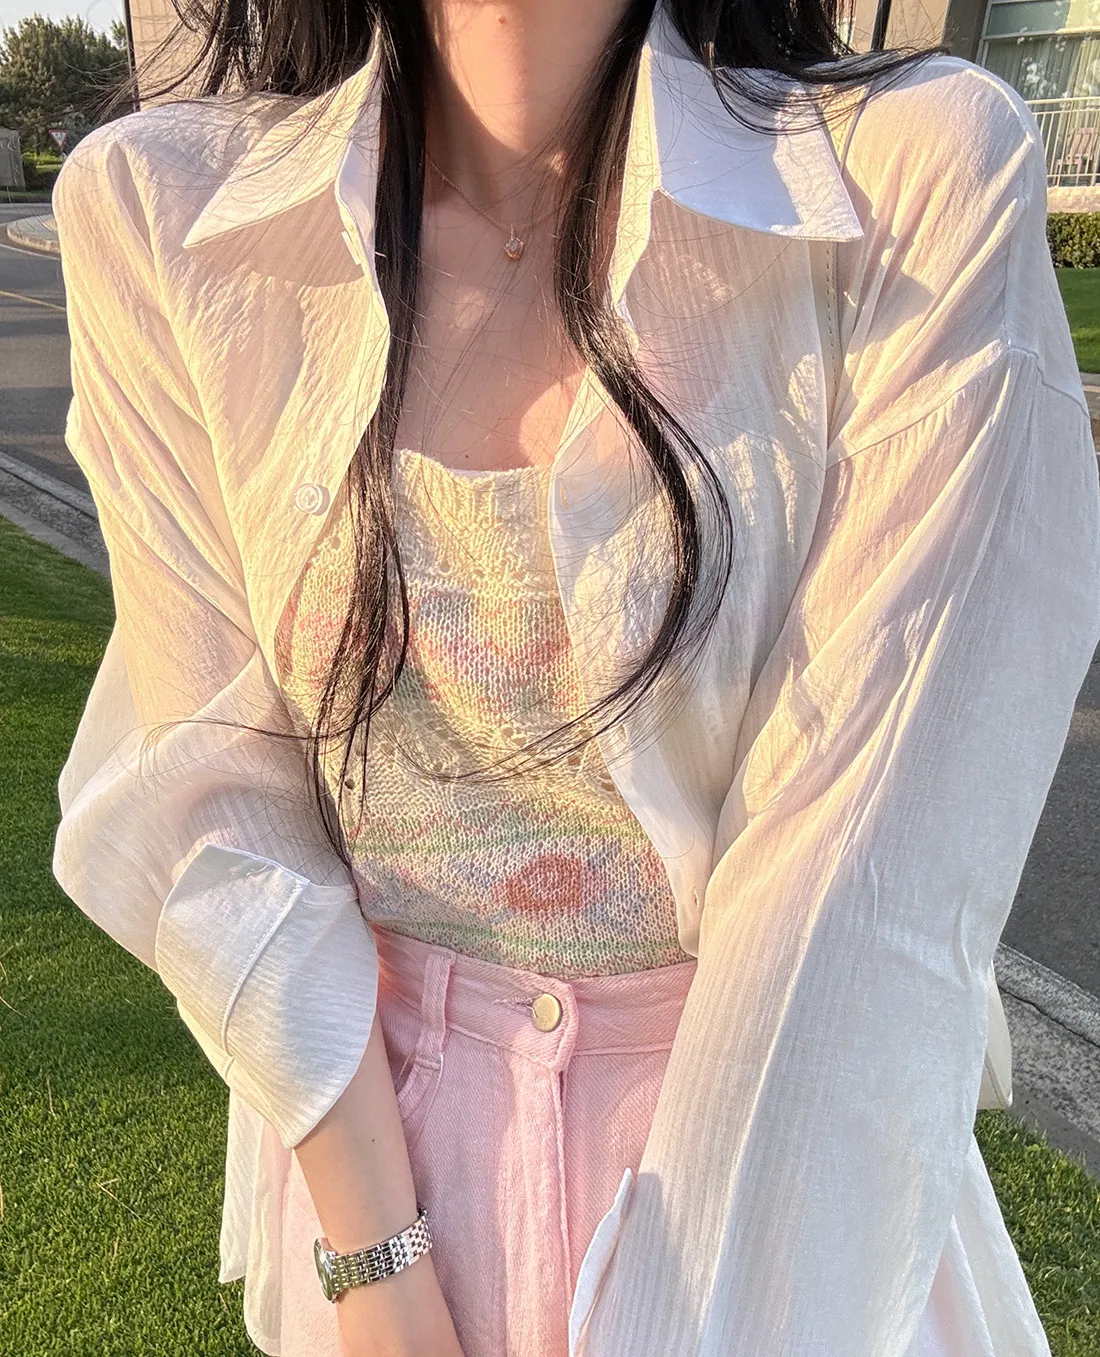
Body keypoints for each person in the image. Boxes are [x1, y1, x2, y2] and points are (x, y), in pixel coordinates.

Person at [49, 0, 1100, 1353]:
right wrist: (380, 1273)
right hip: (382, 1196)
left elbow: (867, 887)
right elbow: (214, 791)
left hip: (780, 1218)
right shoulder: (164, 212)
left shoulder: (908, 179)